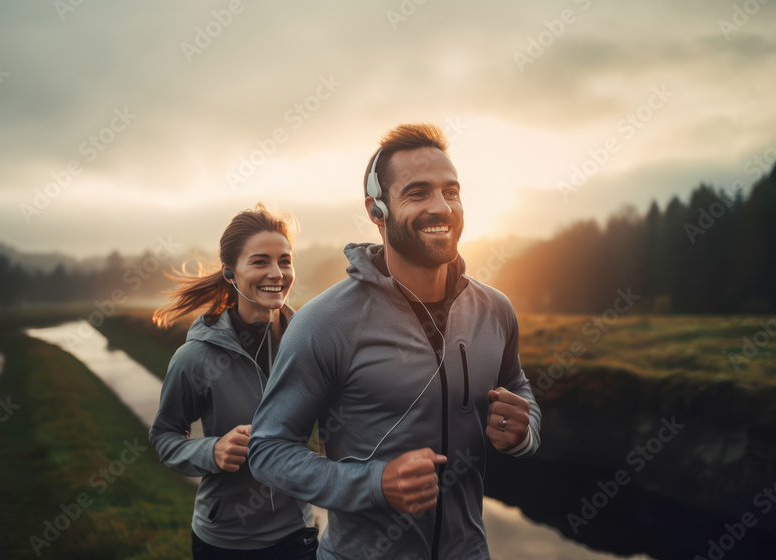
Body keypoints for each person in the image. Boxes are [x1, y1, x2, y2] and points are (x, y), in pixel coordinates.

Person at [249, 124, 542, 559]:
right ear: (376, 209)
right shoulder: (324, 323)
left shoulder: (495, 309)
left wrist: (524, 433)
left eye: (451, 191)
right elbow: (268, 450)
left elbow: (518, 387)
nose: (441, 207)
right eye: (418, 193)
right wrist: (372, 483)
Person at [149, 204, 318, 559]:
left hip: (297, 533)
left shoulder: (309, 345)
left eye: (284, 261)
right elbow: (164, 437)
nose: (277, 273)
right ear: (230, 273)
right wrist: (212, 450)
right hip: (224, 542)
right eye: (260, 262)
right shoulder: (195, 357)